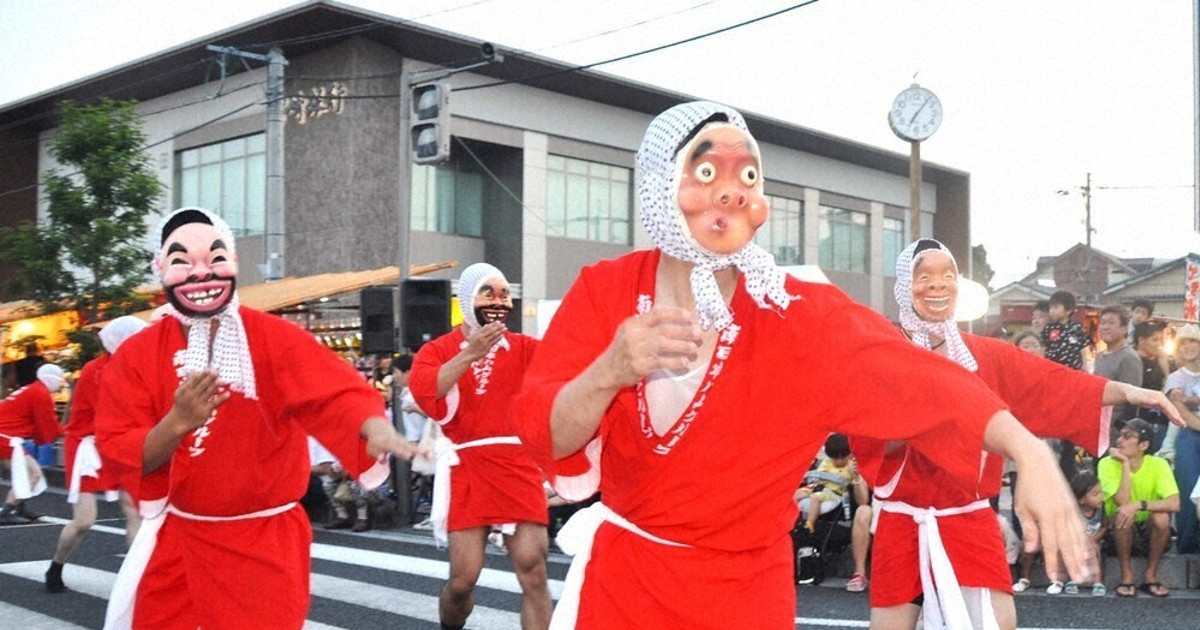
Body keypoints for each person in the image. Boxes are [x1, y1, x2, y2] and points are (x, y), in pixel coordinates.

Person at [511, 101, 1093, 630]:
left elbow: (925, 381)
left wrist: (1028, 449)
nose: (732, 192)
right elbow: (549, 430)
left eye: (749, 176)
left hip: (747, 595)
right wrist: (609, 370)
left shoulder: (798, 315)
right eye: (708, 173)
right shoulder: (605, 291)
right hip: (626, 581)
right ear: (663, 182)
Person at [94, 207, 415, 630]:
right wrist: (176, 423)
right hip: (180, 544)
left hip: (264, 546)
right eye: (180, 261)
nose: (200, 273)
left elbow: (333, 393)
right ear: (161, 270)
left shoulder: (274, 338)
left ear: (233, 262)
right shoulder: (139, 354)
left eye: (215, 257)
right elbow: (124, 449)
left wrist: (371, 425)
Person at [852, 238, 1182, 630]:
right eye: (924, 277)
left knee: (998, 623)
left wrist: (1129, 391)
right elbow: (869, 430)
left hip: (969, 517)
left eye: (948, 276)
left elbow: (1055, 385)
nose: (938, 285)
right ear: (904, 286)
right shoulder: (882, 356)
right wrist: (937, 406)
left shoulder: (983, 355)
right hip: (904, 520)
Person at [409, 262, 551, 630]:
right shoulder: (438, 350)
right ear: (469, 298)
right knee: (463, 581)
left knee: (533, 571)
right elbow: (428, 391)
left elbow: (568, 365)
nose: (499, 300)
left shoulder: (524, 348)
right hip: (467, 465)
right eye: (489, 292)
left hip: (517, 463)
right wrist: (470, 352)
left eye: (505, 293)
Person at [46, 316, 148, 593]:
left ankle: (134, 579)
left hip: (117, 443)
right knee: (84, 521)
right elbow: (115, 411)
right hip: (87, 447)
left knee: (134, 509)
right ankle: (56, 566)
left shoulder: (133, 367)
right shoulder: (96, 370)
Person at [1098, 418, 1180, 598]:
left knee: (1162, 517)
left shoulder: (1158, 464)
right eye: (1120, 436)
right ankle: (1126, 575)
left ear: (1143, 445)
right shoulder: (1107, 464)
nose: (1119, 440)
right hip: (1118, 531)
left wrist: (1139, 505)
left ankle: (1151, 574)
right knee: (1123, 514)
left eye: (1127, 436)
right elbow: (1122, 500)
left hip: (1147, 531)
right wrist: (1125, 465)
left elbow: (1175, 503)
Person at [0, 362, 66, 524]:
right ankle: (7, 510)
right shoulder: (41, 394)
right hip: (6, 438)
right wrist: (66, 431)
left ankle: (19, 506)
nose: (60, 384)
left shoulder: (32, 389)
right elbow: (47, 424)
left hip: (5, 436)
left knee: (23, 472)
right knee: (33, 473)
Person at [1162, 323, 1200, 554]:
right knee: (1187, 488)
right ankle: (1187, 544)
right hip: (1187, 436)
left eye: (1193, 341)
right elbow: (1180, 413)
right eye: (1184, 342)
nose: (1188, 346)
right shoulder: (1174, 378)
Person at [1094, 305, 1144, 434]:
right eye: (1103, 323)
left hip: (1116, 432)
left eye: (1111, 323)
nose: (1105, 327)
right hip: (1097, 426)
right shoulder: (1100, 356)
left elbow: (1132, 401)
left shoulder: (1129, 358)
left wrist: (1123, 432)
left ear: (1124, 329)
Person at [794, 433, 857, 534]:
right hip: (819, 486)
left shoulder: (851, 465)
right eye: (835, 459)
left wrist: (848, 477)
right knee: (796, 494)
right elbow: (819, 473)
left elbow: (853, 481)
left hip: (834, 492)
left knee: (815, 498)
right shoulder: (827, 462)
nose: (839, 461)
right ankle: (791, 520)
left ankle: (809, 525)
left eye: (842, 458)